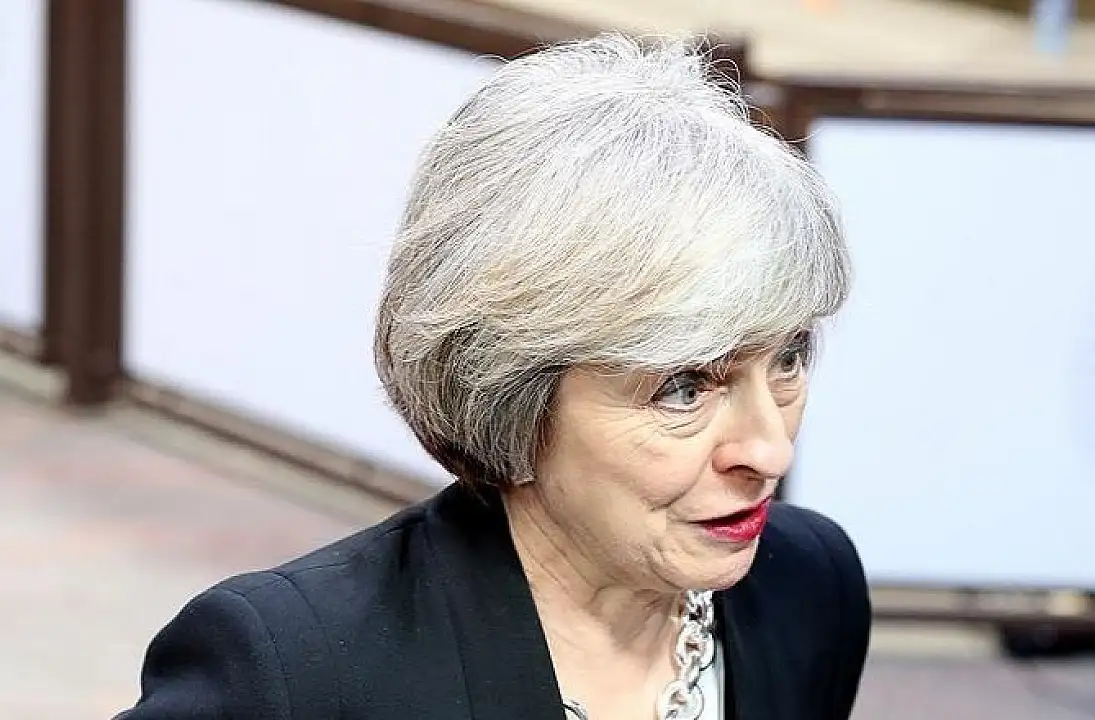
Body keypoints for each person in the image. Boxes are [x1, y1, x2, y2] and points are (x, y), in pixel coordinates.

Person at [117, 32, 870, 720]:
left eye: (788, 359)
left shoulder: (809, 585)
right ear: (511, 397)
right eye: (684, 388)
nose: (770, 451)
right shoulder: (292, 672)